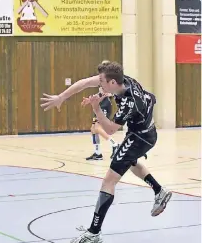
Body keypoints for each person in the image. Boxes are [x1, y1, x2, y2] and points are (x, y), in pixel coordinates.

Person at [40, 61, 172, 243]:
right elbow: (84, 83)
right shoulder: (121, 81)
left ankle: (94, 232)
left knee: (109, 181)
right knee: (129, 161)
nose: (98, 82)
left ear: (112, 82)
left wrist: (96, 107)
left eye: (101, 81)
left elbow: (110, 129)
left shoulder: (130, 102)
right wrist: (61, 97)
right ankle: (159, 191)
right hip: (141, 131)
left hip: (141, 137)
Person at [86, 61, 119, 161]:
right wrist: (91, 99)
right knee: (93, 128)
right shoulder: (102, 78)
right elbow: (101, 92)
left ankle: (115, 145)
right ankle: (98, 153)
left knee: (97, 127)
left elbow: (108, 93)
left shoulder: (110, 78)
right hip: (100, 102)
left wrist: (100, 96)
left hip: (104, 104)